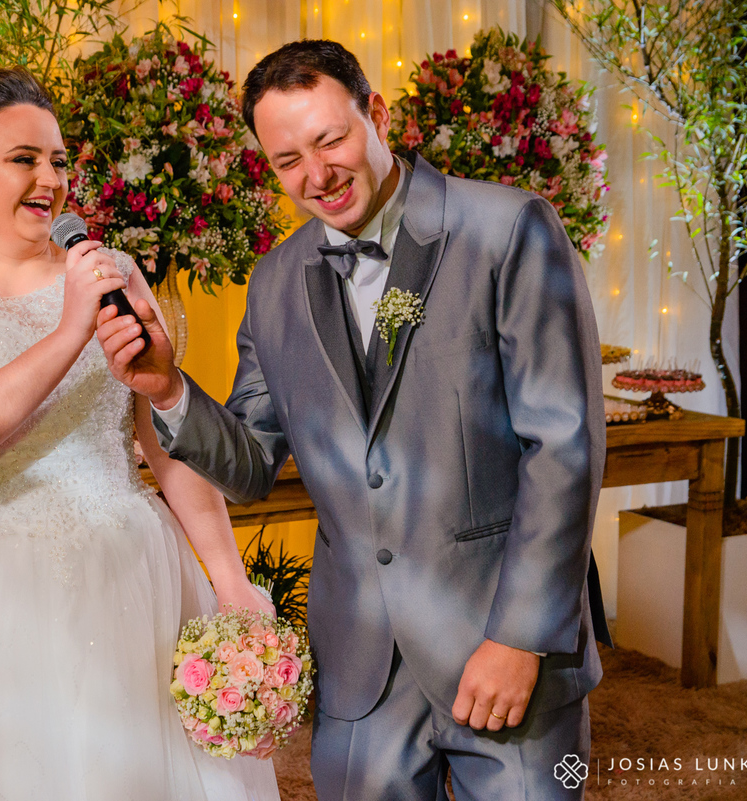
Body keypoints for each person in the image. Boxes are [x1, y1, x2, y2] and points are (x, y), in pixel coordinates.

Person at [98, 40, 610, 801]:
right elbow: (249, 464)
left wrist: (519, 637)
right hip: (360, 671)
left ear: (376, 114)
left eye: (330, 139)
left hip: (497, 642)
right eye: (286, 160)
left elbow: (563, 444)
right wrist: (169, 388)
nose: (315, 175)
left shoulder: (507, 229)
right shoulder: (273, 283)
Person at [0, 61, 279, 801]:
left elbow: (165, 438)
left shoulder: (109, 272)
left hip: (129, 574)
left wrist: (229, 581)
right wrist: (71, 327)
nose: (51, 179)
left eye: (59, 161)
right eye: (24, 159)